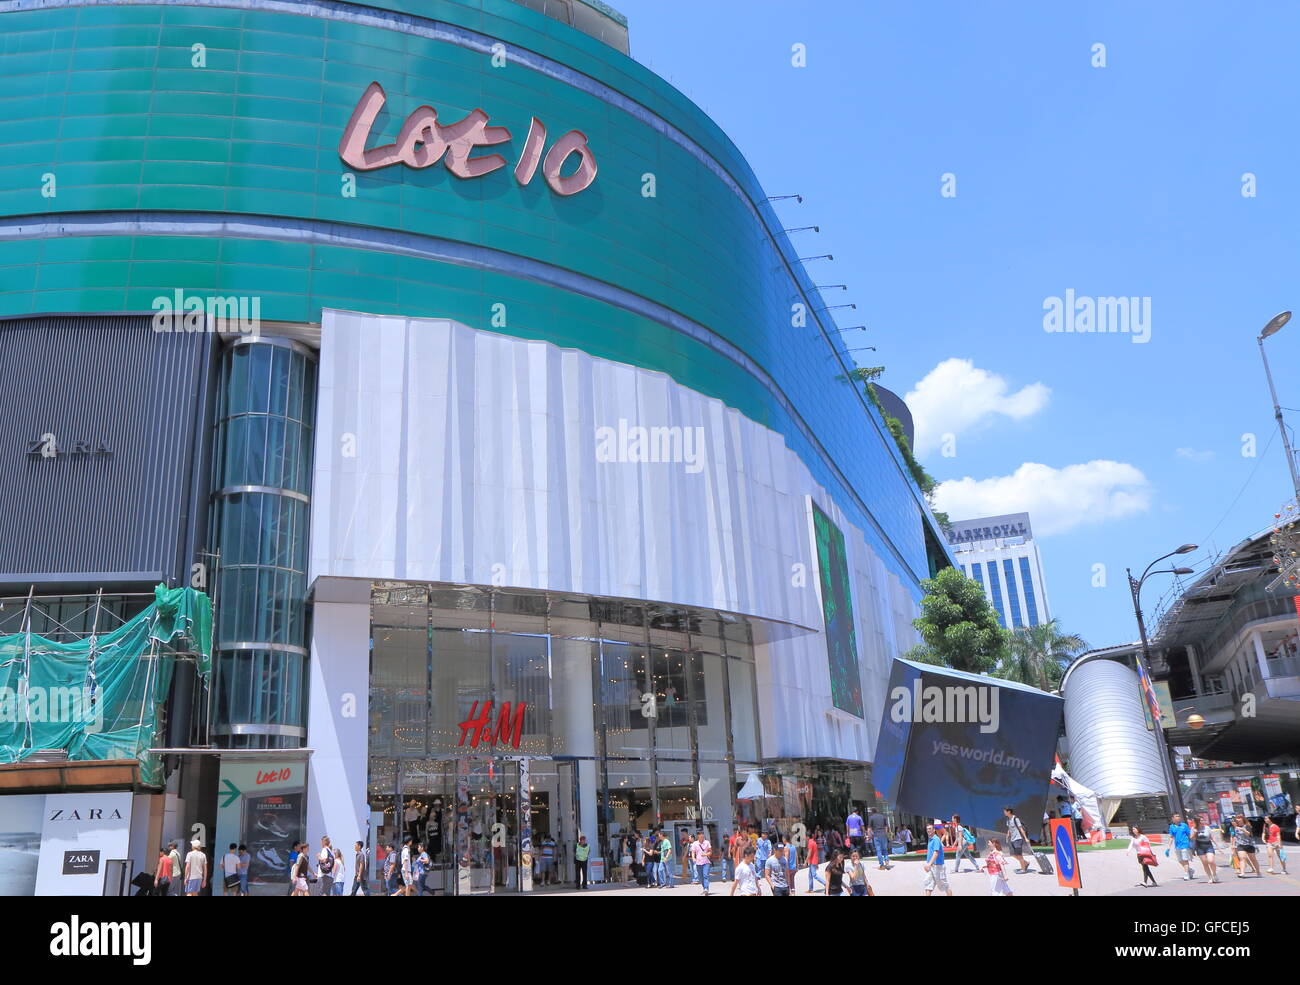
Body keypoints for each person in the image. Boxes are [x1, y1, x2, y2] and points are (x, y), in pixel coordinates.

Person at [922, 823, 951, 896]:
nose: (928, 830)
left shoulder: (936, 839)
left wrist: (929, 864)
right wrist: (928, 864)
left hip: (938, 866)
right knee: (928, 885)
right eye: (927, 829)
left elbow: (936, 853)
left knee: (944, 886)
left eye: (930, 829)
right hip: (931, 866)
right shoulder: (930, 839)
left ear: (934, 830)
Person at [1190, 815, 1220, 883]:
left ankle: (1214, 874)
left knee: (1211, 861)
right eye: (1201, 820)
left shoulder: (1207, 828)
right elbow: (1191, 838)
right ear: (1197, 822)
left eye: (1203, 820)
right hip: (1200, 846)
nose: (1203, 821)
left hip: (1208, 845)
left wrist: (1218, 846)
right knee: (1205, 863)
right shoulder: (1193, 828)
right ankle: (1210, 877)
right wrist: (1195, 832)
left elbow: (1212, 837)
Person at [1003, 806, 1033, 874]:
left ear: (1009, 811)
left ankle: (1023, 869)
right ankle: (1025, 863)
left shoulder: (1015, 819)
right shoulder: (1008, 820)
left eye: (1005, 811)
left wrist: (1025, 838)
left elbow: (1021, 828)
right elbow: (1009, 828)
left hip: (1018, 838)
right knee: (1013, 854)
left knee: (1019, 854)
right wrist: (1008, 835)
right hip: (1012, 839)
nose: (1004, 812)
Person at [1167, 813, 1195, 881]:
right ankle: (1190, 870)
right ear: (1173, 818)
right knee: (1180, 860)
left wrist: (1192, 843)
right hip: (1177, 846)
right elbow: (1171, 837)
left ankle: (1186, 874)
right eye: (1176, 816)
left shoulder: (1184, 825)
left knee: (1185, 860)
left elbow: (1189, 836)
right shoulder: (1171, 827)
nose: (1178, 817)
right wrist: (1168, 848)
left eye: (1179, 816)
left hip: (1185, 845)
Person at [690, 830, 712, 895]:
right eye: (700, 835)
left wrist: (706, 854)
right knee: (701, 877)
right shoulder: (695, 843)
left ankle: (706, 889)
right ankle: (704, 888)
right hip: (698, 862)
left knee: (705, 875)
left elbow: (710, 852)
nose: (701, 836)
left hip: (706, 862)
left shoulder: (707, 842)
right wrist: (693, 858)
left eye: (702, 835)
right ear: (698, 836)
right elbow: (693, 852)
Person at [806, 828, 825, 893]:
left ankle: (826, 883)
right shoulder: (813, 842)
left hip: (812, 862)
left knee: (814, 875)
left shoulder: (810, 842)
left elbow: (809, 853)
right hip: (813, 861)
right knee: (810, 875)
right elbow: (815, 853)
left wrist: (805, 862)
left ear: (807, 837)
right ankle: (810, 889)